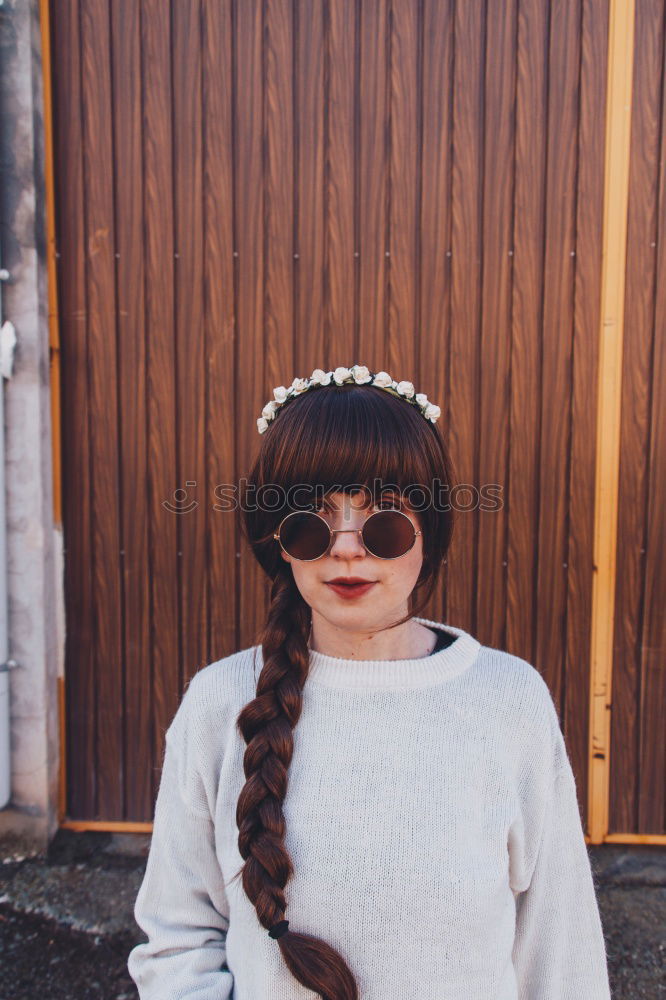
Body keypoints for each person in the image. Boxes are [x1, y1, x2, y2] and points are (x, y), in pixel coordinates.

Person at [127, 364, 612, 999]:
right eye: (313, 518)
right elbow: (177, 937)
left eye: (385, 517)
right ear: (280, 541)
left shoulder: (508, 699)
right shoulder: (220, 703)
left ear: (430, 535)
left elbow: (560, 945)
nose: (347, 548)